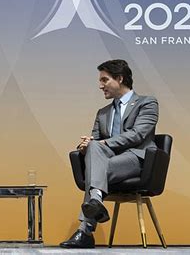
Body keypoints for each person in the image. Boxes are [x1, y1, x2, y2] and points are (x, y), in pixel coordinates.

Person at [60, 59, 159, 248]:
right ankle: (95, 201)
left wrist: (101, 143)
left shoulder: (147, 103)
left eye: (104, 80)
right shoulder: (102, 112)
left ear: (120, 79)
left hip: (136, 159)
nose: (101, 85)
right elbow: (96, 142)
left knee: (96, 165)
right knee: (94, 148)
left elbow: (138, 134)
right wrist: (86, 146)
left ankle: (86, 230)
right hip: (109, 162)